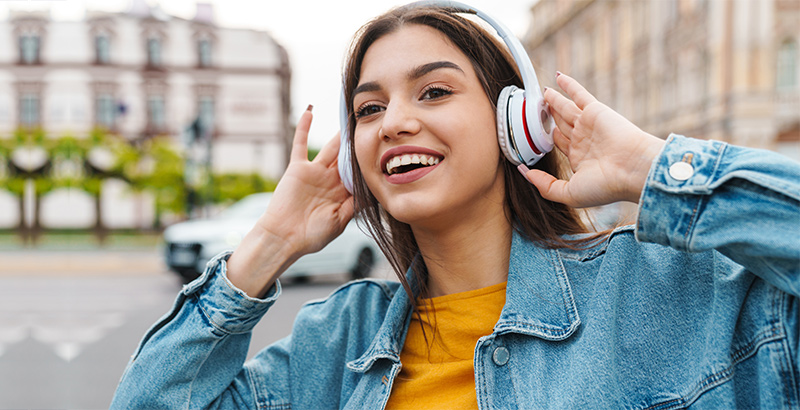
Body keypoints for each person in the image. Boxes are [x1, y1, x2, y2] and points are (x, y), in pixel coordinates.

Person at [110, 3, 800, 409]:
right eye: (369, 108)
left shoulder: (663, 291)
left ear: (516, 122)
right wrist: (270, 243)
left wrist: (652, 170)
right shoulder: (337, 346)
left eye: (434, 92)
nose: (394, 123)